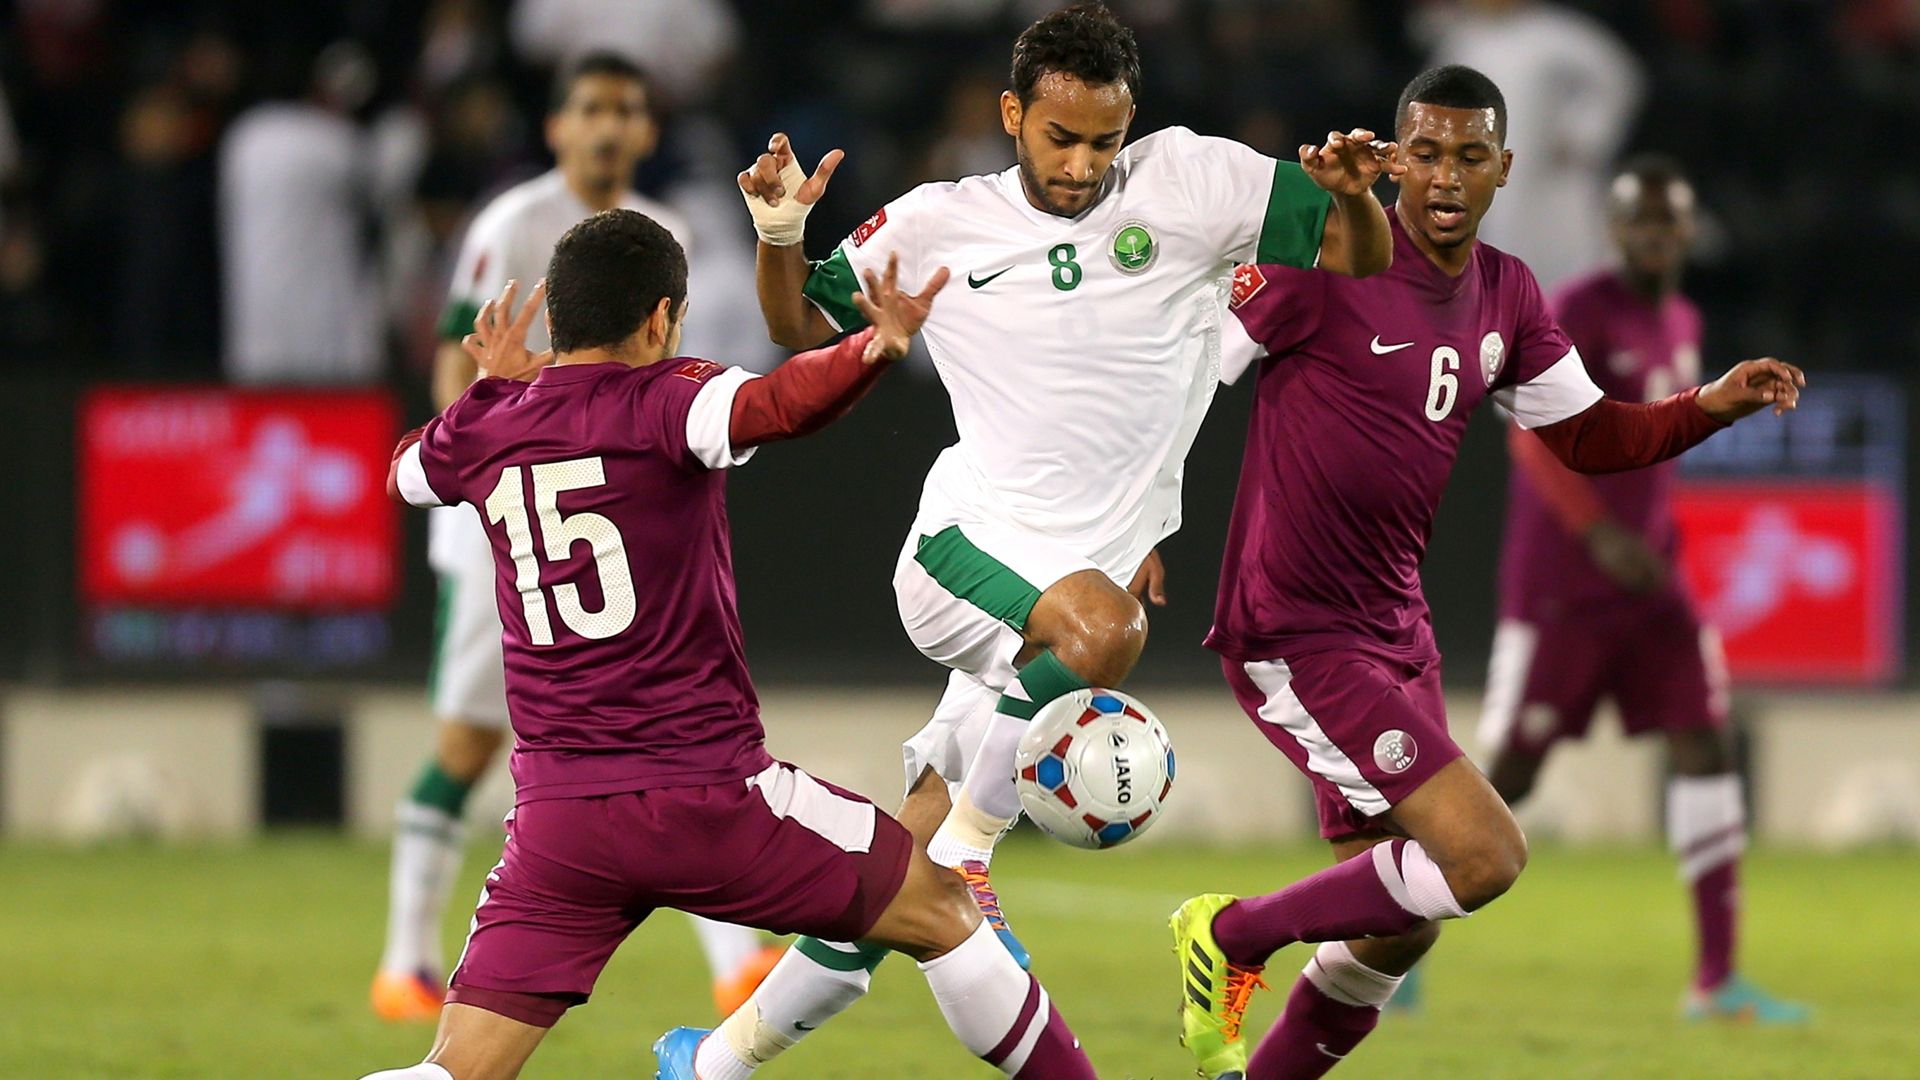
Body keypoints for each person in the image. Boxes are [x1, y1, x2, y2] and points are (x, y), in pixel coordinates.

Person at [678, 4, 1398, 1075]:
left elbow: (1357, 253)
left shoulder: (1194, 182)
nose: (1083, 163)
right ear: (1013, 115)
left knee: (899, 867)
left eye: (1105, 140)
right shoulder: (940, 221)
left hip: (1054, 608)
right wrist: (781, 235)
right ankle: (976, 855)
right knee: (1104, 636)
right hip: (963, 556)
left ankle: (709, 1062)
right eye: (1060, 138)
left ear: (1131, 121)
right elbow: (799, 327)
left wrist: (1351, 196)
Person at [1169, 65, 1804, 1079]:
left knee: (1398, 928)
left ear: (1504, 168)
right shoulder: (1322, 258)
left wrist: (1710, 404)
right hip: (1295, 630)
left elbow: (1593, 435)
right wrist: (1138, 526)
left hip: (1396, 632)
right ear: (1395, 156)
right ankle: (1232, 934)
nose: (1445, 176)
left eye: (1469, 155)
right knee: (1484, 856)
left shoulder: (1507, 291)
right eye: (1424, 153)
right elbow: (1182, 379)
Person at [364, 210, 1103, 1080]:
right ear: (658, 320)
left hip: (560, 823)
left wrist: (494, 389)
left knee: (455, 1071)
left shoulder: (486, 428)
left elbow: (407, 471)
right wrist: (871, 346)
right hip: (706, 798)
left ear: (557, 322)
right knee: (940, 907)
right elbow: (777, 404)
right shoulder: (667, 396)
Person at [372, 51, 778, 1025]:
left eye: (626, 110)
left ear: (646, 130)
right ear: (557, 128)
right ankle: (404, 958)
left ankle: (737, 961)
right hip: (508, 514)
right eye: (590, 108)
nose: (607, 126)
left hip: (616, 511)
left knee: (661, 721)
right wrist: (495, 458)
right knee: (471, 740)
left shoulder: (665, 232)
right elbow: (451, 367)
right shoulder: (511, 224)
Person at [1479, 156, 1808, 1023]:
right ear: (1617, 229)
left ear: (1686, 233)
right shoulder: (1577, 311)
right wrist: (1598, 534)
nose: (1656, 238)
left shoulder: (1685, 319)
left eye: (1669, 224)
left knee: (1706, 744)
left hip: (1655, 582)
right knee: (1505, 777)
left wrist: (1647, 539)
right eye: (1640, 223)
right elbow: (1524, 431)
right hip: (1564, 584)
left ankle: (1717, 979)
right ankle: (1382, 947)